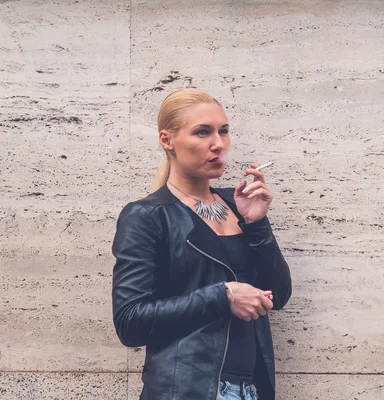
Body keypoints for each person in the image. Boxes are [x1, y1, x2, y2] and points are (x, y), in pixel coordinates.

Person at [111, 88, 292, 400]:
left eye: (223, 131)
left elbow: (279, 296)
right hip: (186, 391)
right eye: (202, 132)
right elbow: (131, 322)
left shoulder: (238, 206)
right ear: (167, 140)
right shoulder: (147, 216)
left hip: (250, 390)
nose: (218, 144)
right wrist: (222, 297)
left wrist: (257, 225)